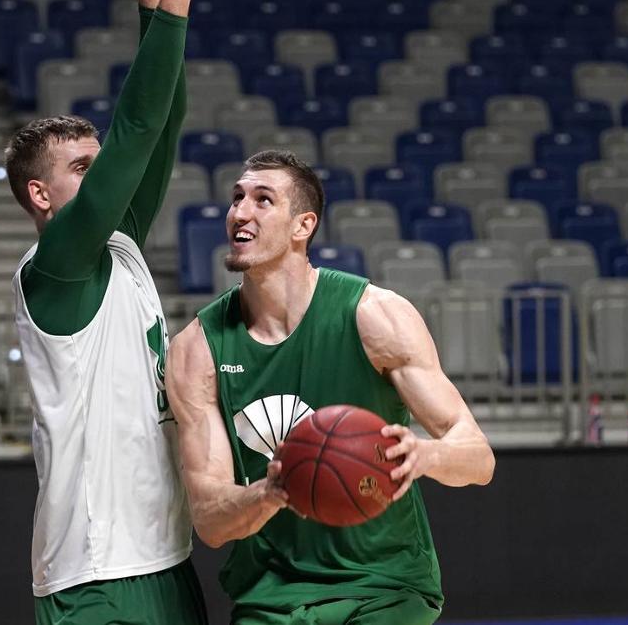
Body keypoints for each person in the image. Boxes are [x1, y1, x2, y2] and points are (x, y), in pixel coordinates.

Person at [3, 0, 216, 625]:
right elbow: (132, 132)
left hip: (164, 556)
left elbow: (155, 131)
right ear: (41, 195)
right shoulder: (54, 268)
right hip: (94, 573)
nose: (105, 178)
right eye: (81, 170)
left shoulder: (119, 251)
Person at [166, 150, 496, 625]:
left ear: (303, 226)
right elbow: (212, 521)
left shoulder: (374, 315)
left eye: (263, 200)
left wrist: (423, 456)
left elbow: (478, 458)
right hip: (272, 597)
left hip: (385, 586)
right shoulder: (197, 349)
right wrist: (269, 493)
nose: (240, 211)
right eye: (237, 198)